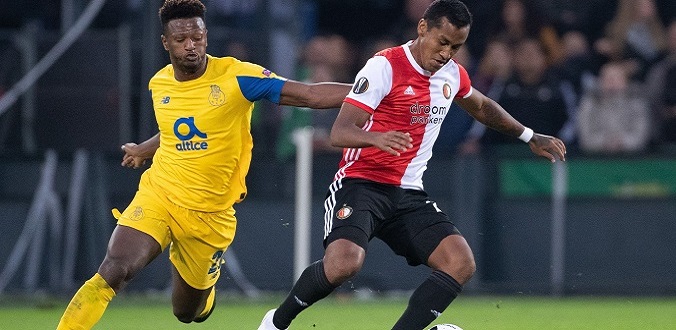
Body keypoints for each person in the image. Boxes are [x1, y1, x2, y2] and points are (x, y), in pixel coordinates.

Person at [257, 1, 566, 330]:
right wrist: (377, 138)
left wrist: (529, 135)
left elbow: (483, 107)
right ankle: (275, 322)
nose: (447, 53)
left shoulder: (452, 75)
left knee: (459, 262)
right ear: (423, 29)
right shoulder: (384, 67)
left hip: (407, 192)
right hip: (361, 182)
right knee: (344, 265)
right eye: (442, 42)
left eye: (456, 46)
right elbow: (340, 131)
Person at [55, 0, 351, 329]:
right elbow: (176, 128)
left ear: (206, 36)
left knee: (187, 313)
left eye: (197, 37)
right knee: (114, 269)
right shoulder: (159, 84)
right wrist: (145, 149)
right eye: (181, 40)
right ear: (166, 43)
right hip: (161, 195)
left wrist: (370, 92)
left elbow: (308, 95)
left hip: (209, 214)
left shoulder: (238, 77)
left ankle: (204, 295)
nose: (190, 46)